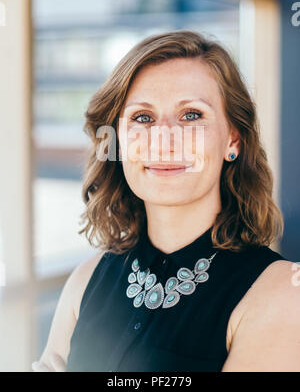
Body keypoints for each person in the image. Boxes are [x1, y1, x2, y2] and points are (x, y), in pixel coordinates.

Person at [32, 30, 300, 372]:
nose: (164, 140)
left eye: (191, 115)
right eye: (143, 118)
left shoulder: (282, 292)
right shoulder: (85, 280)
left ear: (233, 138)